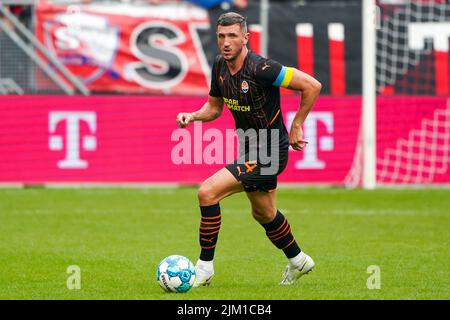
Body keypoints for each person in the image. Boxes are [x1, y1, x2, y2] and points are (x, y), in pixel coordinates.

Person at [176, 12, 322, 286]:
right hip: (249, 150)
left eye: (232, 36)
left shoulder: (263, 69)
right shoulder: (219, 65)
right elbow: (215, 108)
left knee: (207, 192)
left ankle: (204, 269)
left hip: (269, 153)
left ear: (246, 38)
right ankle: (299, 260)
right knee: (264, 213)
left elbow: (312, 86)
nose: (226, 42)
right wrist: (193, 116)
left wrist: (297, 124)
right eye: (221, 36)